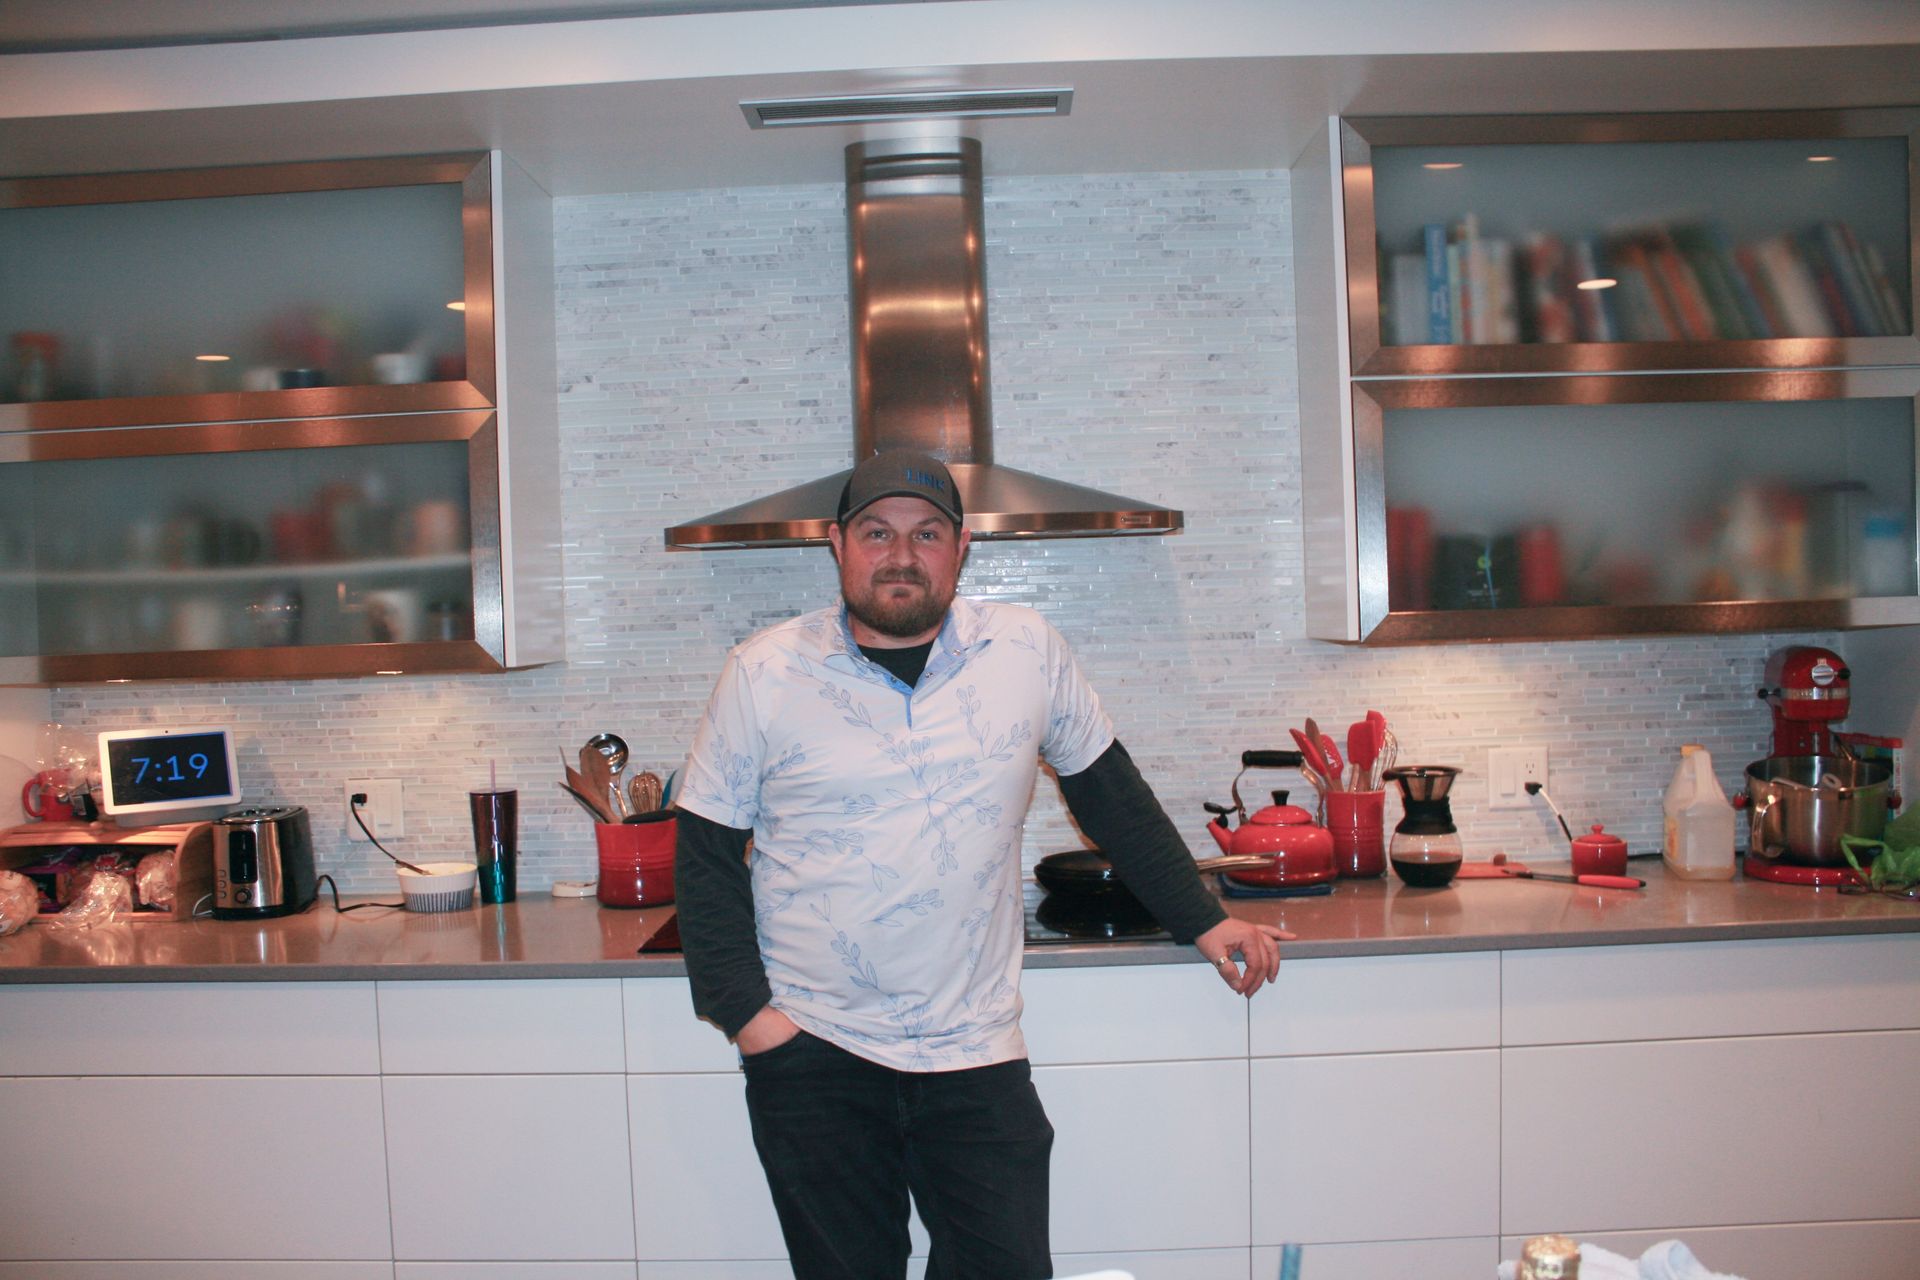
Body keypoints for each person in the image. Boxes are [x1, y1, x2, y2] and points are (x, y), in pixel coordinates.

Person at [675, 448, 1290, 1280]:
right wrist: (755, 1024)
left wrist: (1204, 919)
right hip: (815, 1048)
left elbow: (1110, 794)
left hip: (974, 1049)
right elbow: (704, 858)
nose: (902, 555)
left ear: (961, 548)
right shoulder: (763, 671)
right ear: (837, 544)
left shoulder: (1025, 650)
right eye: (877, 532)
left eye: (927, 534)